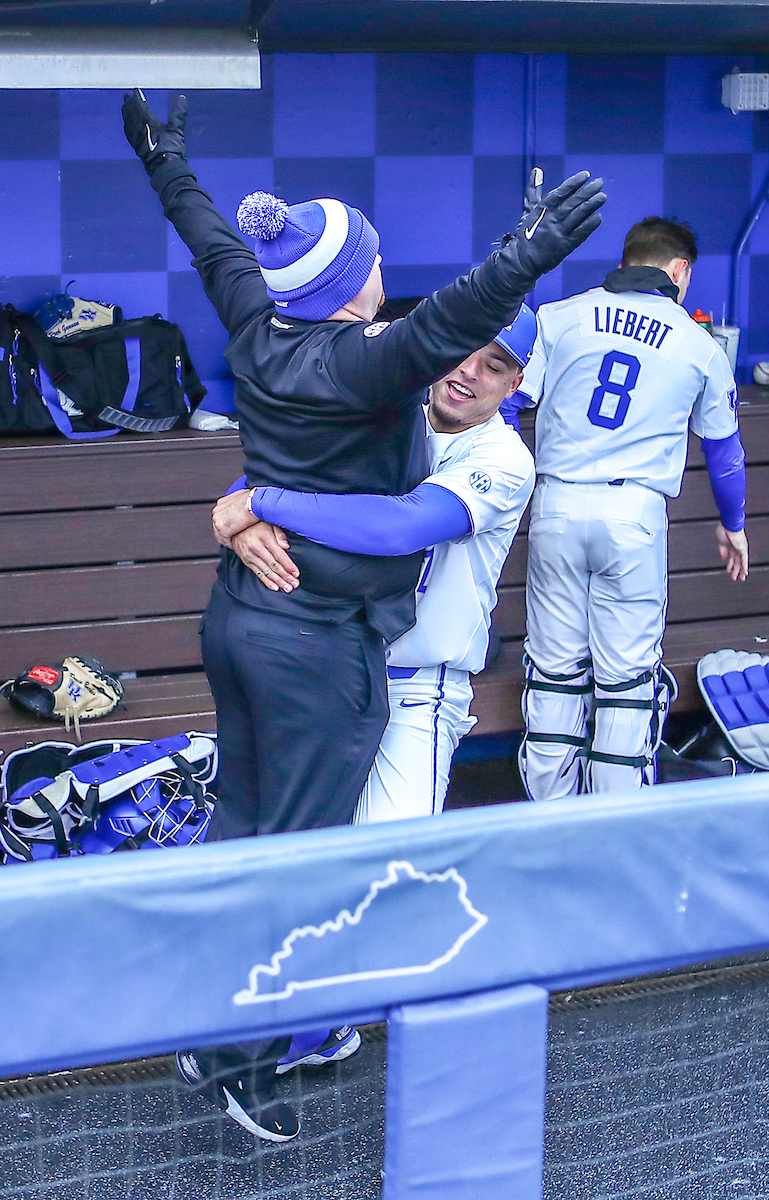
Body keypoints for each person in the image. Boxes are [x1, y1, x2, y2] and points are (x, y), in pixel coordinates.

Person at [120, 90, 605, 1140]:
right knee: (303, 860)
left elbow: (216, 249)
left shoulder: (260, 322)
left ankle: (267, 1021)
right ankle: (238, 1054)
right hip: (322, 653)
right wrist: (523, 253)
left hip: (254, 623)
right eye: (372, 266)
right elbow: (447, 329)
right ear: (353, 286)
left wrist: (167, 163)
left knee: (260, 840)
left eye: (497, 370)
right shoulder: (363, 361)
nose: (466, 372)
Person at [214, 306, 538, 822]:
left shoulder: (504, 456)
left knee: (389, 860)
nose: (468, 371)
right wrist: (246, 509)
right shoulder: (383, 404)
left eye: (494, 365)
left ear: (514, 382)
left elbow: (398, 527)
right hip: (323, 669)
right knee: (292, 847)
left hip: (415, 683)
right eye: (462, 350)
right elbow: (280, 472)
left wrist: (259, 505)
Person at [516, 216, 748, 802]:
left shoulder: (559, 317)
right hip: (634, 514)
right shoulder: (698, 343)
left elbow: (511, 401)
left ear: (626, 260)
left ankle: (546, 821)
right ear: (679, 271)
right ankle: (614, 826)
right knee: (624, 686)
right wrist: (734, 526)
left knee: (554, 676)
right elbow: (723, 453)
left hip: (556, 503)